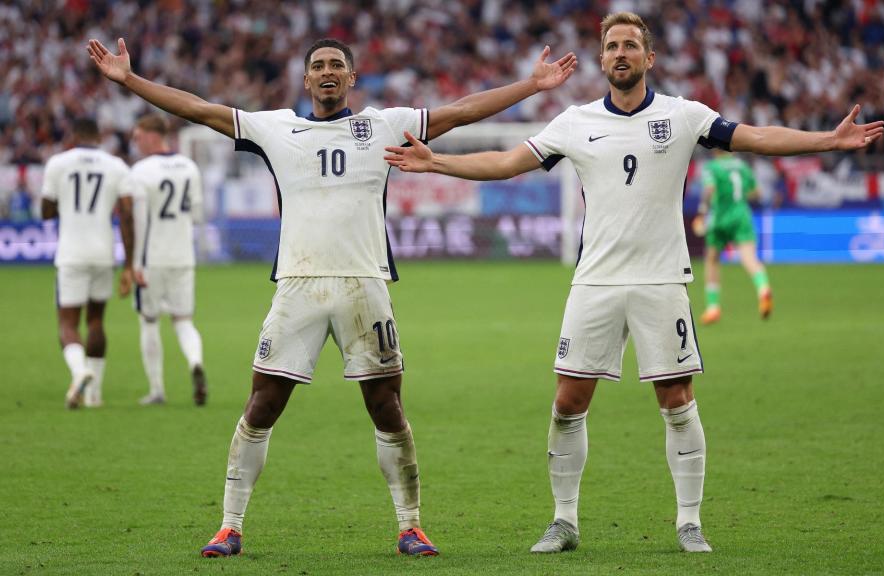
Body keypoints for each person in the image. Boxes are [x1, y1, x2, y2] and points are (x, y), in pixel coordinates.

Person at [385, 11, 883, 554]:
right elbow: (508, 161)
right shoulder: (574, 122)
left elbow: (754, 137)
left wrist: (826, 142)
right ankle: (564, 521)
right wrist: (438, 162)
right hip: (595, 283)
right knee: (569, 400)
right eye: (611, 46)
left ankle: (689, 521)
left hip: (662, 281)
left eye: (630, 46)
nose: (620, 54)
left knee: (677, 398)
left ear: (650, 58)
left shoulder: (685, 115)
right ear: (602, 59)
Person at [88, 35, 576, 558]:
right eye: (317, 65)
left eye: (336, 66)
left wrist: (532, 84)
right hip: (297, 287)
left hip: (365, 286)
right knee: (262, 405)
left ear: (351, 78)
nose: (326, 72)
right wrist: (130, 81)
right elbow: (200, 110)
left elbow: (458, 112)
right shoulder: (276, 127)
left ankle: (410, 526)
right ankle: (230, 526)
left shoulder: (386, 124)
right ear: (305, 79)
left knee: (387, 406)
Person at [41, 117, 138, 409]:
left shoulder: (58, 163)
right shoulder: (117, 166)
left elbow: (46, 211)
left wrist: (65, 202)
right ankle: (94, 395)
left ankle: (79, 371)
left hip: (71, 253)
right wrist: (129, 264)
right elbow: (127, 216)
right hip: (103, 253)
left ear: (73, 135)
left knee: (68, 324)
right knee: (96, 320)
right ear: (99, 137)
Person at [129, 113, 208, 406]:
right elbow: (198, 215)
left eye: (138, 138)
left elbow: (138, 221)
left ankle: (157, 390)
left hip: (152, 258)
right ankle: (195, 361)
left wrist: (134, 263)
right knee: (183, 320)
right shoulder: (189, 167)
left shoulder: (140, 171)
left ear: (152, 135)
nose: (136, 144)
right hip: (183, 256)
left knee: (149, 320)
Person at [693, 151, 772, 325]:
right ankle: (763, 288)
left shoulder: (712, 167)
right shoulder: (742, 166)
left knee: (712, 260)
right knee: (749, 258)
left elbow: (709, 189)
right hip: (741, 215)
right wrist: (739, 197)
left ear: (714, 150)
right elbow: (757, 193)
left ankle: (713, 307)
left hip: (720, 216)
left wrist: (702, 213)